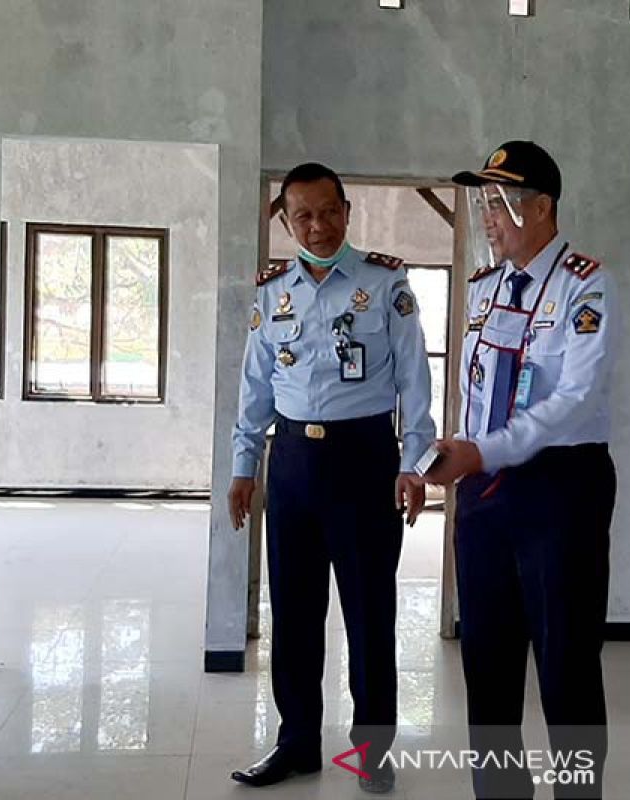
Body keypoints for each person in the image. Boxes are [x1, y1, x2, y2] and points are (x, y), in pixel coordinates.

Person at [228, 162, 435, 793]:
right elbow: (255, 384)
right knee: (293, 612)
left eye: (329, 211)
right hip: (290, 462)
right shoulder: (272, 291)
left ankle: (372, 749)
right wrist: (243, 465)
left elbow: (413, 379)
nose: (318, 226)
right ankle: (297, 743)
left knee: (370, 611)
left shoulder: (386, 281)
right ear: (287, 222)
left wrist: (413, 463)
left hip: (364, 460)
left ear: (347, 211)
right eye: (303, 216)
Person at [424, 140, 617, 799]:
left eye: (498, 202)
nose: (487, 216)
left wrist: (487, 450)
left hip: (561, 492)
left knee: (565, 666)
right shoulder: (486, 287)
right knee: (489, 663)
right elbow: (476, 393)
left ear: (541, 208)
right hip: (484, 492)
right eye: (482, 203)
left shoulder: (586, 285)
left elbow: (574, 400)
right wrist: (450, 453)